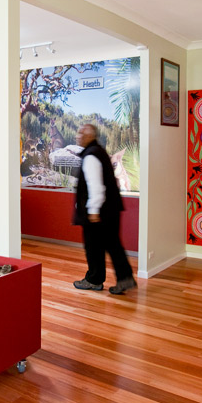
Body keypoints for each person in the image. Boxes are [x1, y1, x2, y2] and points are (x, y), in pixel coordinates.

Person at [72, 124, 137, 295]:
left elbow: (96, 186)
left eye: (81, 133)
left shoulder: (91, 156)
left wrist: (93, 211)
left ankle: (94, 280)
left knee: (93, 247)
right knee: (113, 245)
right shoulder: (98, 152)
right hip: (111, 209)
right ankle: (125, 279)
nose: (77, 136)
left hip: (99, 211)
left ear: (89, 136)